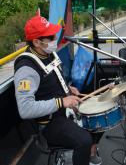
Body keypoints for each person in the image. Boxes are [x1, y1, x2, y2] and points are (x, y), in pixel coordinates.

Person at [14, 15, 102, 165]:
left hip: (62, 110)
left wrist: (68, 89)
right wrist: (62, 101)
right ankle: (86, 150)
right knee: (83, 140)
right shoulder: (26, 68)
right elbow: (25, 109)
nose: (55, 38)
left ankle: (91, 151)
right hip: (48, 123)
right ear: (36, 42)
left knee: (100, 112)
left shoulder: (48, 53)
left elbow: (51, 82)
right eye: (51, 37)